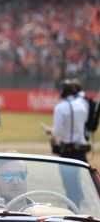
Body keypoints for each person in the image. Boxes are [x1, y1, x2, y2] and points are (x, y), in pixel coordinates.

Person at [45, 79, 89, 207]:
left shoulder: (60, 107)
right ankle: (78, 204)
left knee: (69, 184)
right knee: (77, 181)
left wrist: (51, 135)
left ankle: (73, 209)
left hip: (68, 151)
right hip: (81, 150)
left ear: (62, 92)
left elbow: (57, 131)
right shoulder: (82, 105)